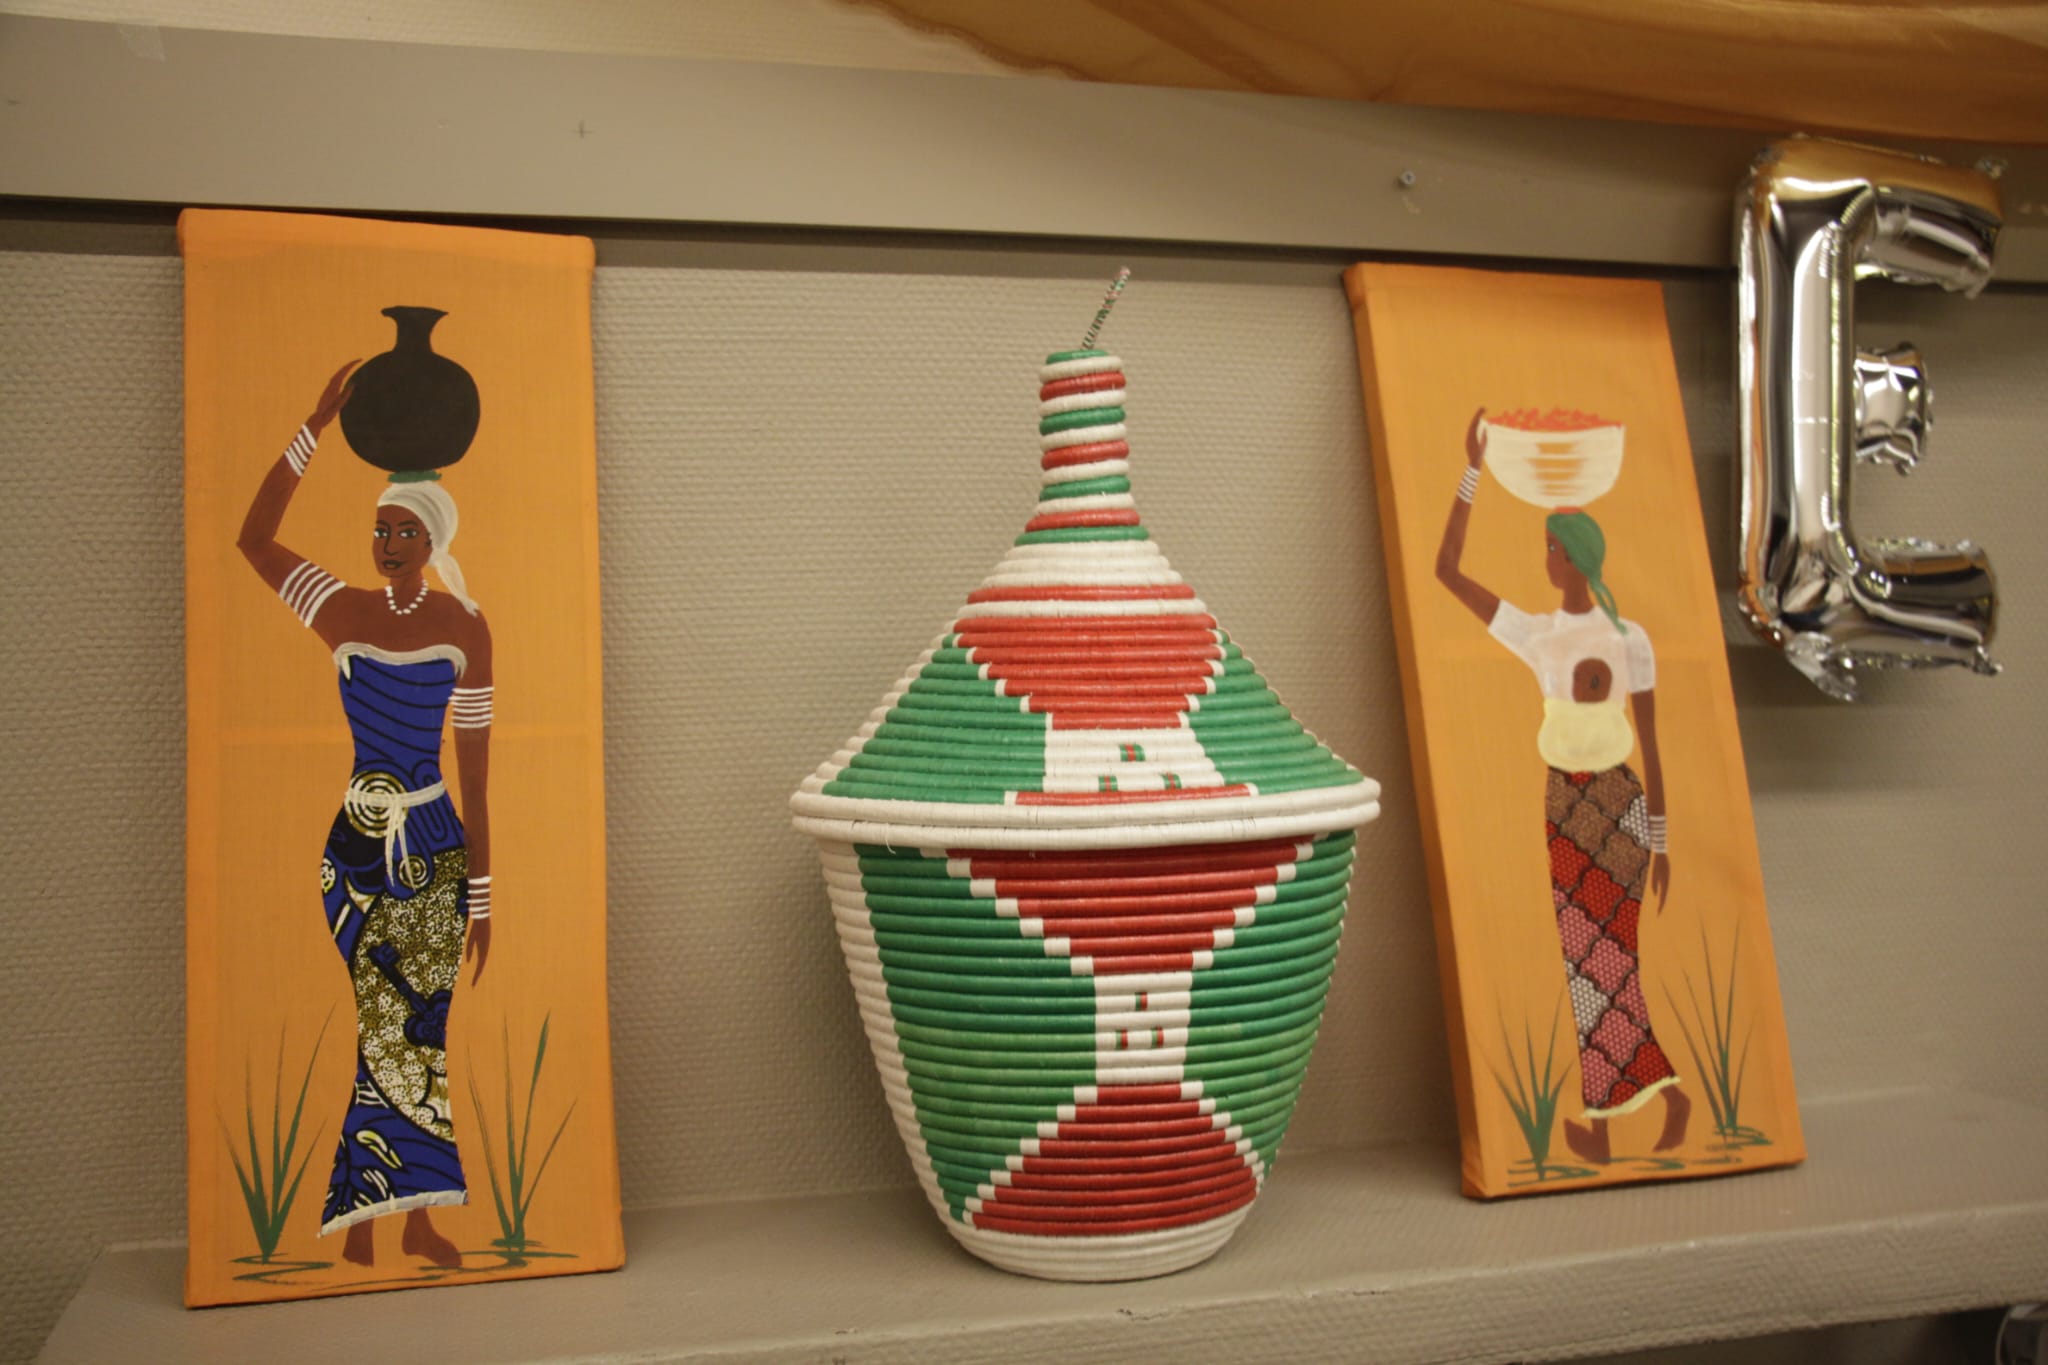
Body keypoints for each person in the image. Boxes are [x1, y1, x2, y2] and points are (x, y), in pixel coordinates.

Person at [237, 360, 495, 1266]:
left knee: (416, 1031)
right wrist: (311, 430)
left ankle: (395, 1222)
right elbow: (254, 538)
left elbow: (476, 772)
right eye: (379, 528)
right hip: (354, 852)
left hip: (435, 847)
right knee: (386, 1022)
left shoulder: (465, 628)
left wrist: (483, 895)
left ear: (431, 536)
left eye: (402, 530)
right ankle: (387, 1217)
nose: (386, 542)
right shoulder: (339, 609)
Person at [1435, 407, 1689, 1163]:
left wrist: (1662, 843)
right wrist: (1472, 469)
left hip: (1616, 804)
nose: (1543, 559)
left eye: (1550, 548)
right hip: (1567, 805)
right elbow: (1447, 572)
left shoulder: (1629, 638)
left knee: (1608, 961)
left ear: (1573, 558)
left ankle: (1622, 1122)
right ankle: (1638, 1114)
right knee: (1589, 961)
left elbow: (1653, 741)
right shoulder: (1537, 633)